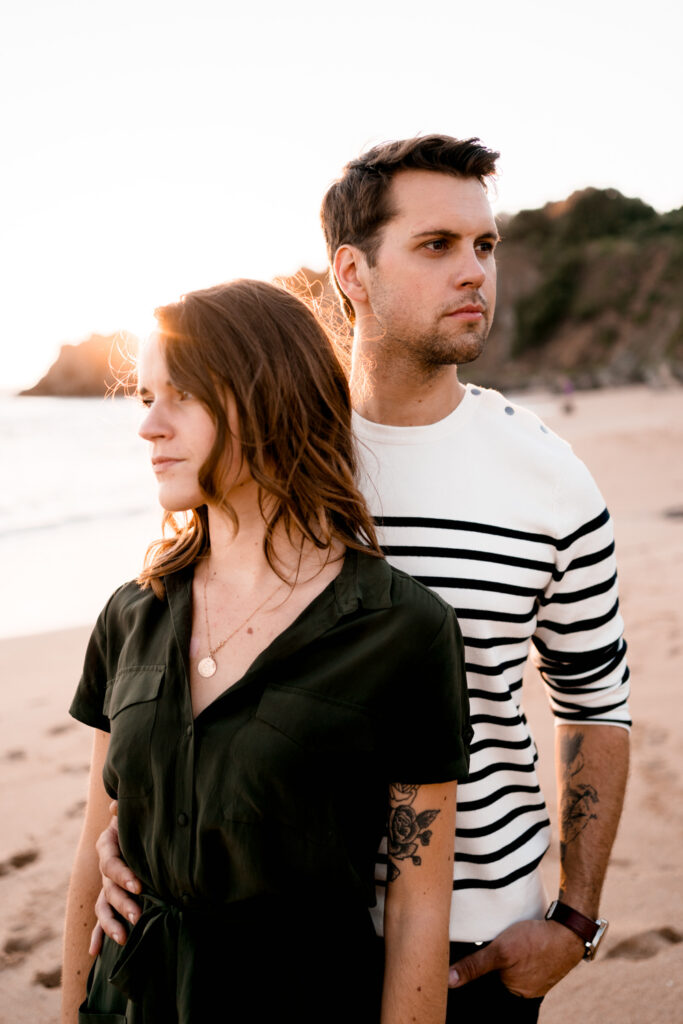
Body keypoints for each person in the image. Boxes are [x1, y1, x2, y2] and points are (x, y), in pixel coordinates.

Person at [93, 137, 631, 1021]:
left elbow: (594, 703)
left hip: (474, 938)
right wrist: (151, 819)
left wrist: (575, 921)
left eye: (484, 246)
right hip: (276, 932)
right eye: (436, 245)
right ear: (351, 269)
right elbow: (184, 657)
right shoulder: (259, 445)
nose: (474, 273)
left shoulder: (550, 481)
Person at [61, 279, 472, 1024]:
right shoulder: (132, 614)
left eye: (179, 395)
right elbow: (93, 862)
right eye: (144, 396)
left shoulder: (401, 629)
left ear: (267, 398)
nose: (147, 426)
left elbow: (416, 912)